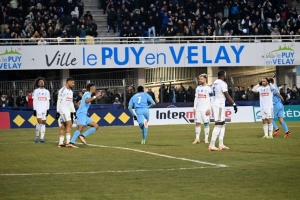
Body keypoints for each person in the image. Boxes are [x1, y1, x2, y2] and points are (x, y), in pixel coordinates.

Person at [208, 70, 238, 151]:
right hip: (219, 105)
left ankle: (221, 144)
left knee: (223, 124)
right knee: (218, 124)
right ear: (223, 75)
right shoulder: (222, 83)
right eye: (225, 74)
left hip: (217, 104)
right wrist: (234, 104)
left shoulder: (215, 82)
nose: (226, 76)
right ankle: (211, 145)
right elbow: (226, 94)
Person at [67, 83, 101, 148]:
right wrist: (96, 96)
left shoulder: (86, 94)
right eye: (94, 87)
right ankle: (71, 143)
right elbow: (87, 100)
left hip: (83, 114)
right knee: (80, 128)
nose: (95, 89)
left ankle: (82, 136)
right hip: (81, 114)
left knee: (96, 126)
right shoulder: (88, 93)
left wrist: (81, 107)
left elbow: (78, 103)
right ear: (91, 88)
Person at [193, 74, 213, 144]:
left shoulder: (209, 88)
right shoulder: (198, 88)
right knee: (197, 123)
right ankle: (197, 138)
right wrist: (194, 108)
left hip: (205, 109)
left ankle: (206, 139)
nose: (199, 80)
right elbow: (196, 98)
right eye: (199, 79)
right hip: (198, 109)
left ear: (205, 79)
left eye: (201, 79)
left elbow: (211, 99)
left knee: (206, 124)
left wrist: (209, 109)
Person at [56, 77, 76, 147]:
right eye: (72, 82)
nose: (73, 84)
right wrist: (57, 111)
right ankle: (68, 142)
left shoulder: (71, 92)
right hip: (63, 110)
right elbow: (59, 101)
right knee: (69, 124)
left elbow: (71, 102)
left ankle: (60, 142)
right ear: (68, 82)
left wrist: (73, 111)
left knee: (64, 126)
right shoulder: (62, 90)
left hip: (68, 110)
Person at [33, 77, 50, 143]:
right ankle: (37, 136)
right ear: (38, 84)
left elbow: (48, 101)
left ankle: (42, 138)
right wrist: (34, 109)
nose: (41, 82)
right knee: (39, 122)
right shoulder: (36, 91)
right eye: (40, 82)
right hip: (38, 109)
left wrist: (48, 109)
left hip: (44, 109)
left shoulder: (47, 91)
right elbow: (34, 100)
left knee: (43, 123)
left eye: (42, 81)